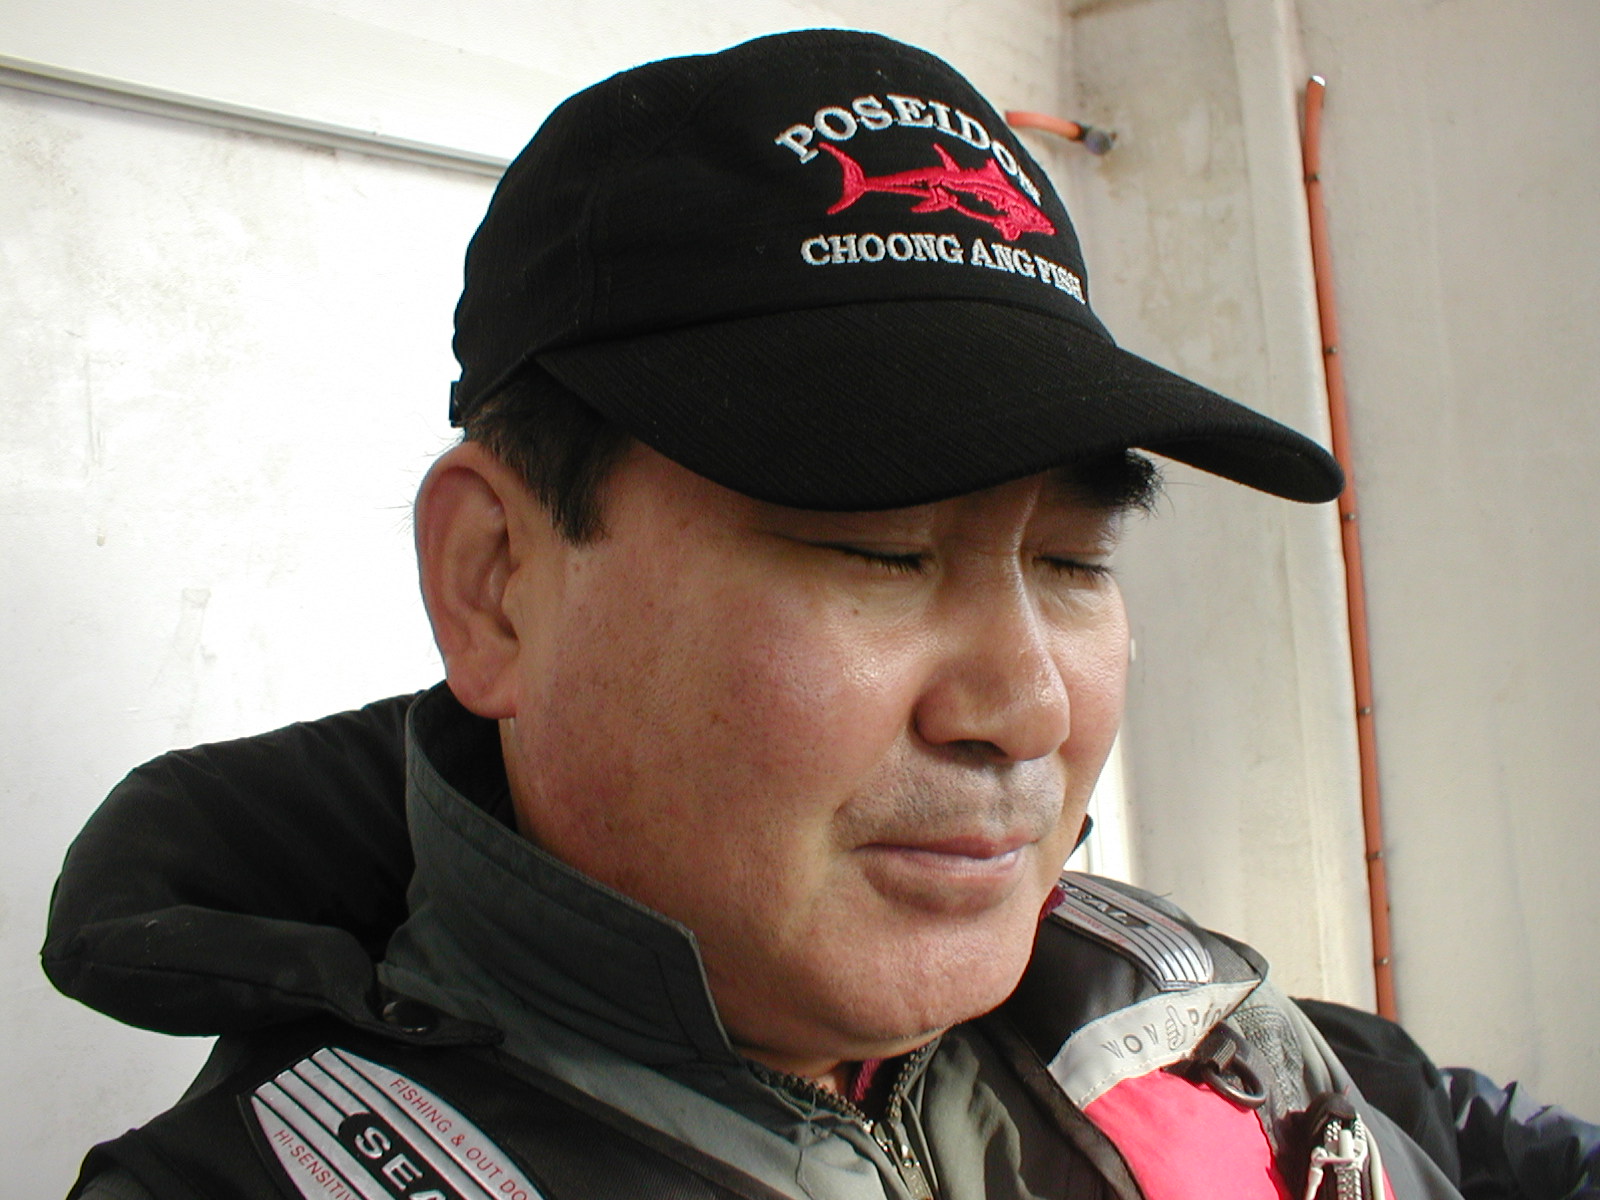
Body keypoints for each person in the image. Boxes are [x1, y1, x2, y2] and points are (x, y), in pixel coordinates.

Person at [45, 27, 1485, 1200]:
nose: (1028, 706)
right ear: (494, 586)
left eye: (1073, 561)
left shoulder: (1181, 1019)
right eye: (879, 551)